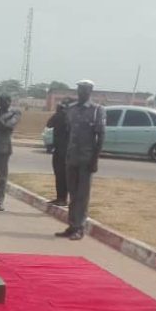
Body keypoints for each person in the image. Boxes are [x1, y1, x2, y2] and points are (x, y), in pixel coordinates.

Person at [55, 80, 105, 241]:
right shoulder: (71, 109)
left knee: (83, 195)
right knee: (73, 193)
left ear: (90, 91)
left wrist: (95, 159)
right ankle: (72, 225)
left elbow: (100, 136)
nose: (81, 92)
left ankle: (79, 228)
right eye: (79, 89)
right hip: (72, 157)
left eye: (84, 90)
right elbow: (69, 131)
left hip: (86, 158)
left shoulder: (97, 110)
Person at [46, 98, 72, 206]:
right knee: (58, 174)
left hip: (65, 150)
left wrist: (62, 113)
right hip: (58, 149)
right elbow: (49, 124)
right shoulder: (59, 116)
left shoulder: (69, 117)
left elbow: (68, 127)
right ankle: (59, 197)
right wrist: (58, 113)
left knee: (63, 175)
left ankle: (63, 198)